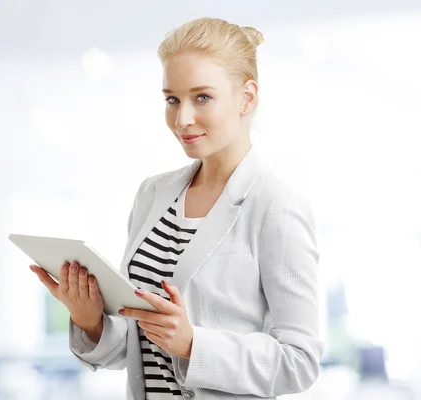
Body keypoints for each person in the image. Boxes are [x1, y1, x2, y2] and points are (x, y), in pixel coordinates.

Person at [30, 17, 324, 400]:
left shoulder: (275, 208)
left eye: (202, 97)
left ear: (247, 97)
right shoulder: (153, 194)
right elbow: (138, 347)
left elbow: (299, 363)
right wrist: (90, 321)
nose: (182, 118)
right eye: (172, 99)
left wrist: (193, 345)